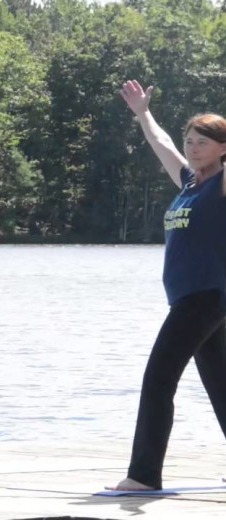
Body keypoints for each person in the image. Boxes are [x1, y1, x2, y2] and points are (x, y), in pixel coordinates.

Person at [109, 80, 226, 491]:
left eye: (203, 143)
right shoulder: (189, 184)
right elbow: (160, 143)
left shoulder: (221, 185)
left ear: (222, 148)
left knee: (158, 379)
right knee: (221, 385)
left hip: (205, 297)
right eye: (190, 141)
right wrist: (143, 113)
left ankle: (143, 476)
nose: (193, 148)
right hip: (195, 299)